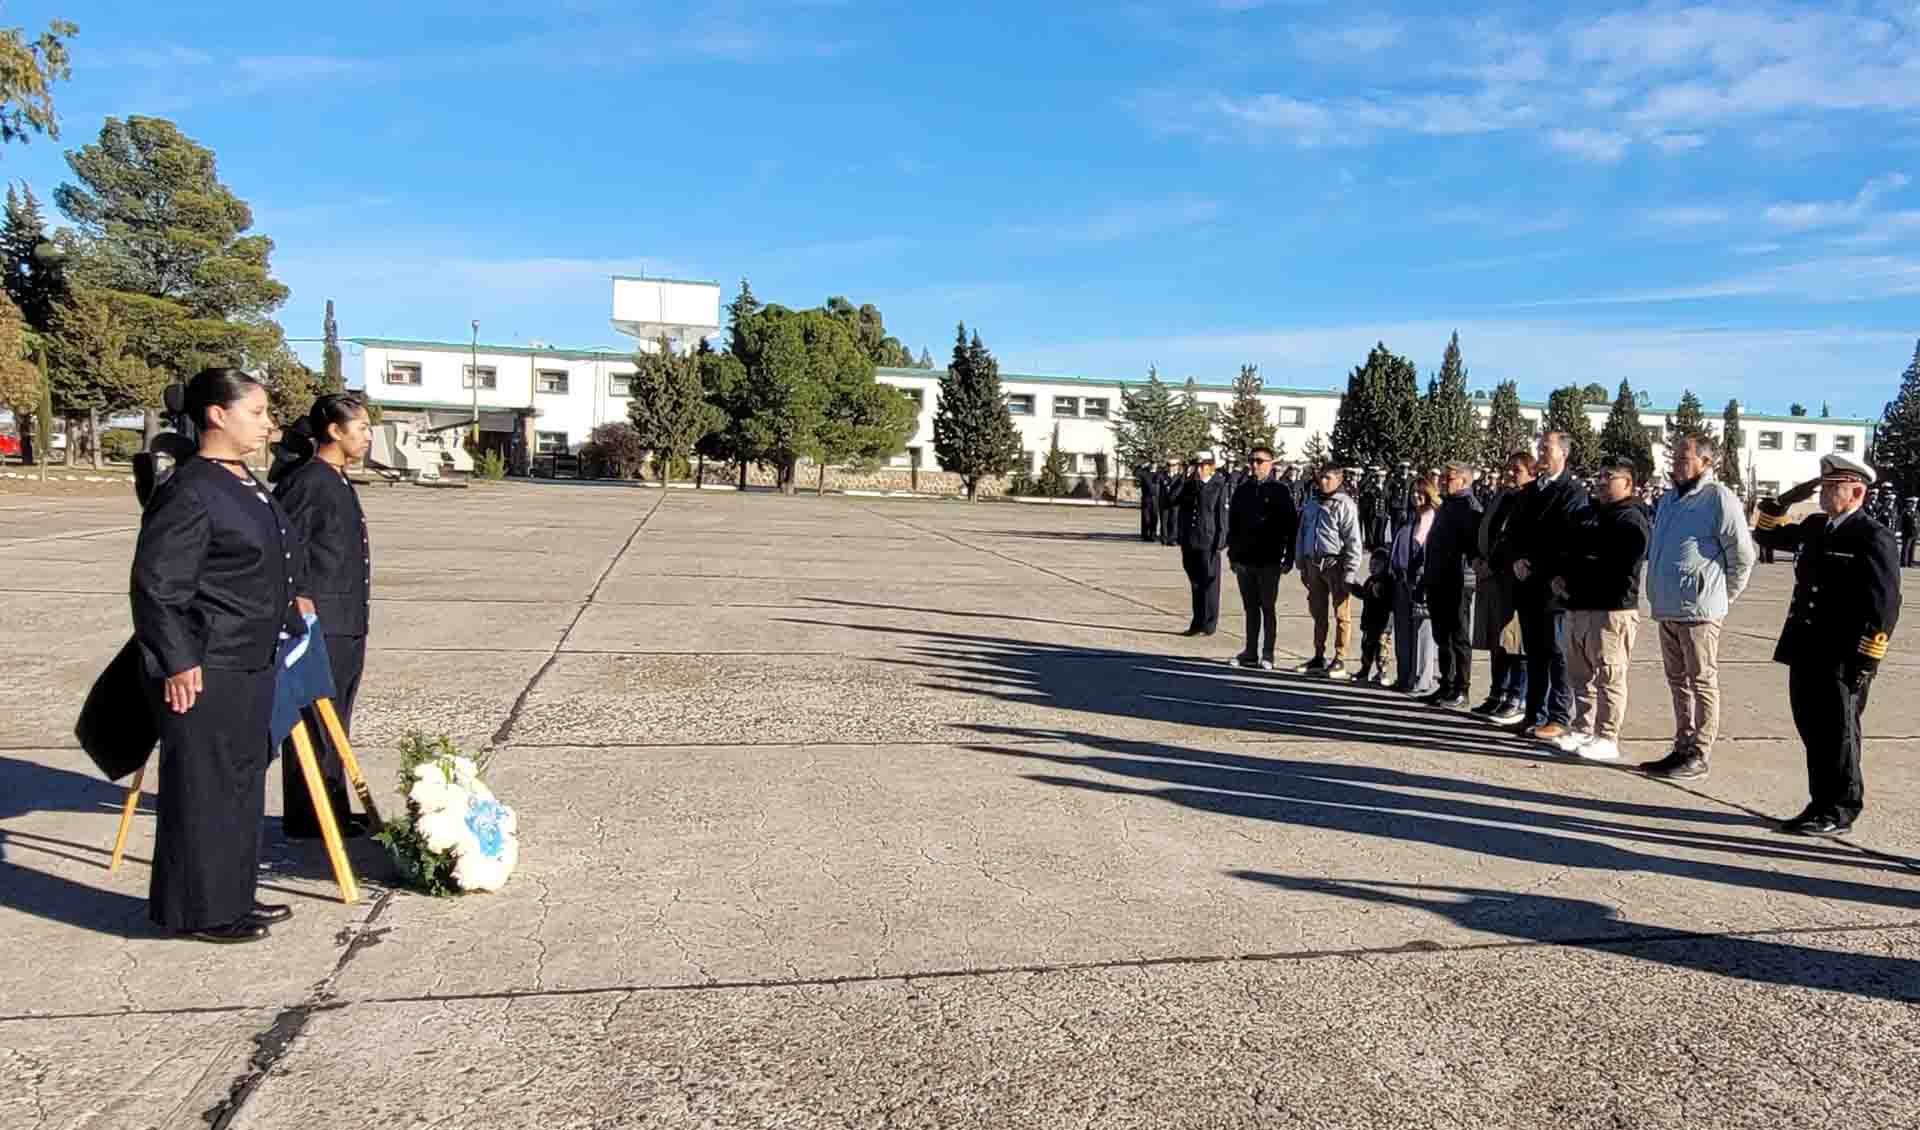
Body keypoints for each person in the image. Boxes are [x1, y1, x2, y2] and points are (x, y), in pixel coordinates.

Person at [131, 368, 313, 944]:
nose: (268, 424)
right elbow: (158, 584)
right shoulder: (191, 488)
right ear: (217, 415)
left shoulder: (241, 480)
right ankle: (199, 911)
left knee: (237, 784)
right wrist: (178, 660)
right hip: (208, 663)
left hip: (251, 658)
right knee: (203, 789)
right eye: (256, 413)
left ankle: (230, 895)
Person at [1751, 456, 1901, 833]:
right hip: (1805, 647)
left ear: (1857, 492)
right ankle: (1819, 803)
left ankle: (1841, 809)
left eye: (1834, 487)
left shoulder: (1872, 536)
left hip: (1842, 654)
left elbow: (1884, 605)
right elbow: (1766, 533)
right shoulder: (1817, 527)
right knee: (1813, 729)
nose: (1824, 493)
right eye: (1822, 486)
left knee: (1839, 733)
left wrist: (1867, 660)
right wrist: (1785, 498)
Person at [271, 394, 375, 840]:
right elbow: (281, 543)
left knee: (336, 715)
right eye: (362, 427)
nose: (368, 436)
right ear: (334, 430)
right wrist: (299, 598)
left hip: (348, 617)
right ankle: (308, 813)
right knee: (314, 717)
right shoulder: (309, 480)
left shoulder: (337, 478)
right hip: (322, 619)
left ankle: (330, 805)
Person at [1640, 432, 1756, 781]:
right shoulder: (1670, 500)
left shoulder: (1718, 498)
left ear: (1706, 463)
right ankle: (1681, 745)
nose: (1676, 463)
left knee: (1702, 681)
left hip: (1700, 612)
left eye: (1684, 458)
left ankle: (1700, 751)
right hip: (1669, 609)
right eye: (1674, 457)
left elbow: (1743, 556)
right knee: (1678, 682)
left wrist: (1720, 597)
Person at [1549, 459, 1651, 762]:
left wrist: (1584, 566)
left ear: (1628, 483)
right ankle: (1582, 727)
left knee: (1609, 674)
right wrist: (1562, 575)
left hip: (1610, 609)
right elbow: (1568, 549)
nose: (1602, 481)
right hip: (1578, 604)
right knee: (1579, 674)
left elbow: (1621, 562)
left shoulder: (1631, 518)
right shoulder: (1588, 514)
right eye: (1600, 475)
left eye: (1611, 477)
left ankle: (1607, 735)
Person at [1490, 433, 1589, 741]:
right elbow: (1512, 532)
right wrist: (1516, 560)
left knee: (1556, 653)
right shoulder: (1531, 491)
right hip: (1526, 585)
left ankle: (1558, 715)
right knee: (1534, 653)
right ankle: (1534, 713)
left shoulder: (1572, 492)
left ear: (1563, 454)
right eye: (1540, 449)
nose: (1541, 453)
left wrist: (1541, 567)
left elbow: (1568, 538)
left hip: (1552, 587)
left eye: (1546, 449)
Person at [1471, 454, 1532, 724]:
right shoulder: (1502, 497)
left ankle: (1516, 696)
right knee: (1496, 640)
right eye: (1508, 469)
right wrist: (1478, 557)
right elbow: (1487, 530)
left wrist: (1494, 565)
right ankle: (1497, 692)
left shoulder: (1528, 500)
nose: (1510, 474)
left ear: (1531, 473)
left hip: (1512, 580)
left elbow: (1514, 542)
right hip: (1490, 578)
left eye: (1516, 470)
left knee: (1514, 642)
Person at [1226, 445, 1298, 669]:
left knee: (1267, 606)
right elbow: (1234, 525)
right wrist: (1232, 555)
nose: (1254, 465)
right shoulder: (1242, 490)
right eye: (1252, 461)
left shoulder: (1281, 491)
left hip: (1269, 559)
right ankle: (1250, 651)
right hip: (1244, 559)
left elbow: (1291, 526)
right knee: (1250, 607)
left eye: (1259, 461)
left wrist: (1290, 557)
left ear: (1271, 463)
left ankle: (1268, 653)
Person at [1292, 463, 1365, 679]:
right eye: (1321, 477)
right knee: (1318, 613)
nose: (1323, 482)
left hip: (1336, 565)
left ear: (1339, 479)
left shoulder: (1345, 505)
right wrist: (1301, 562)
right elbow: (1302, 532)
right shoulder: (1312, 503)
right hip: (1313, 563)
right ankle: (1318, 655)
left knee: (1341, 614)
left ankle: (1340, 657)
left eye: (1328, 478)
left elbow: (1354, 541)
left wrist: (1350, 572)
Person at [1423, 461, 1483, 709]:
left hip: (1458, 580)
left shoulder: (1469, 507)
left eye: (1449, 478)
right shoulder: (1448, 504)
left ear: (1465, 481)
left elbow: (1471, 548)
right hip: (1438, 578)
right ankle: (1446, 685)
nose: (1443, 482)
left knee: (1458, 635)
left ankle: (1462, 688)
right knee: (1441, 635)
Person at [1388, 475, 1441, 696]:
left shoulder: (1435, 520)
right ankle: (1404, 677)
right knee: (1402, 630)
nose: (1416, 496)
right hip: (1401, 580)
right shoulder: (1408, 519)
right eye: (1413, 493)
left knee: (1423, 634)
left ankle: (1422, 679)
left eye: (1421, 492)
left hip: (1421, 582)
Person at [1172, 452, 1230, 636]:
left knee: (1210, 584)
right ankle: (1197, 622)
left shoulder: (1219, 485)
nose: (1199, 469)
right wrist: (1183, 478)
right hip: (1190, 541)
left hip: (1209, 541)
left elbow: (1222, 515)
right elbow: (1170, 500)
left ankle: (1209, 624)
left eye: (1202, 465)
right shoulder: (1189, 484)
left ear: (1211, 466)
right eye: (1196, 465)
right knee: (1196, 583)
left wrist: (1220, 542)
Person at [1354, 549, 1395, 685]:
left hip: (1382, 624)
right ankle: (1365, 670)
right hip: (1368, 622)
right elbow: (1365, 595)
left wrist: (1363, 590)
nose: (1373, 567)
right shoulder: (1370, 580)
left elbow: (1376, 594)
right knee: (1366, 647)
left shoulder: (1387, 582)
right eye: (1371, 564)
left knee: (1382, 649)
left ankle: (1382, 672)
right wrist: (1354, 588)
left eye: (1377, 564)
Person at [1157, 457, 1182, 546]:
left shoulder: (1179, 476)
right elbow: (1158, 486)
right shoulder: (1162, 475)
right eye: (1169, 465)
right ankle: (1164, 538)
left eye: (1173, 465)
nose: (1171, 467)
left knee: (1174, 521)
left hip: (1175, 502)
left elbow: (1180, 488)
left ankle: (1172, 539)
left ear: (1177, 466)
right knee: (1164, 521)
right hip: (1164, 502)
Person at [1136, 463, 1160, 542]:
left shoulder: (1159, 474)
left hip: (1156, 499)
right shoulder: (1145, 473)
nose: (1153, 465)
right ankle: (1145, 535)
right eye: (1152, 464)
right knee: (1146, 518)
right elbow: (1136, 473)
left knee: (1154, 518)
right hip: (1146, 499)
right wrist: (1142, 465)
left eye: (1154, 464)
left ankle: (1153, 535)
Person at [1901, 499, 1917, 568]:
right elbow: (1902, 523)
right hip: (1907, 533)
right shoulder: (1905, 512)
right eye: (1913, 503)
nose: (1914, 505)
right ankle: (1904, 563)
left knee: (1912, 549)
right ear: (1909, 504)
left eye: (1915, 504)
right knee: (1906, 548)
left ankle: (1910, 563)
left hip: (1915, 533)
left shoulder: (1917, 512)